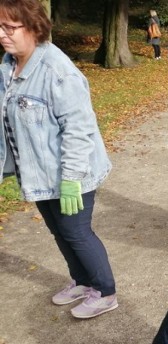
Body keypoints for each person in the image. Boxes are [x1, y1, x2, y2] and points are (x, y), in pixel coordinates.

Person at [0, 0, 118, 319]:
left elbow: (79, 128)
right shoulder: (8, 67)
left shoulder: (56, 69)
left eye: (9, 27)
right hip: (38, 173)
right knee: (60, 232)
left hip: (71, 173)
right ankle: (83, 281)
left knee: (77, 233)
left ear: (34, 28)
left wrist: (71, 180)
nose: (2, 34)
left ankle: (105, 291)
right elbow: (6, 124)